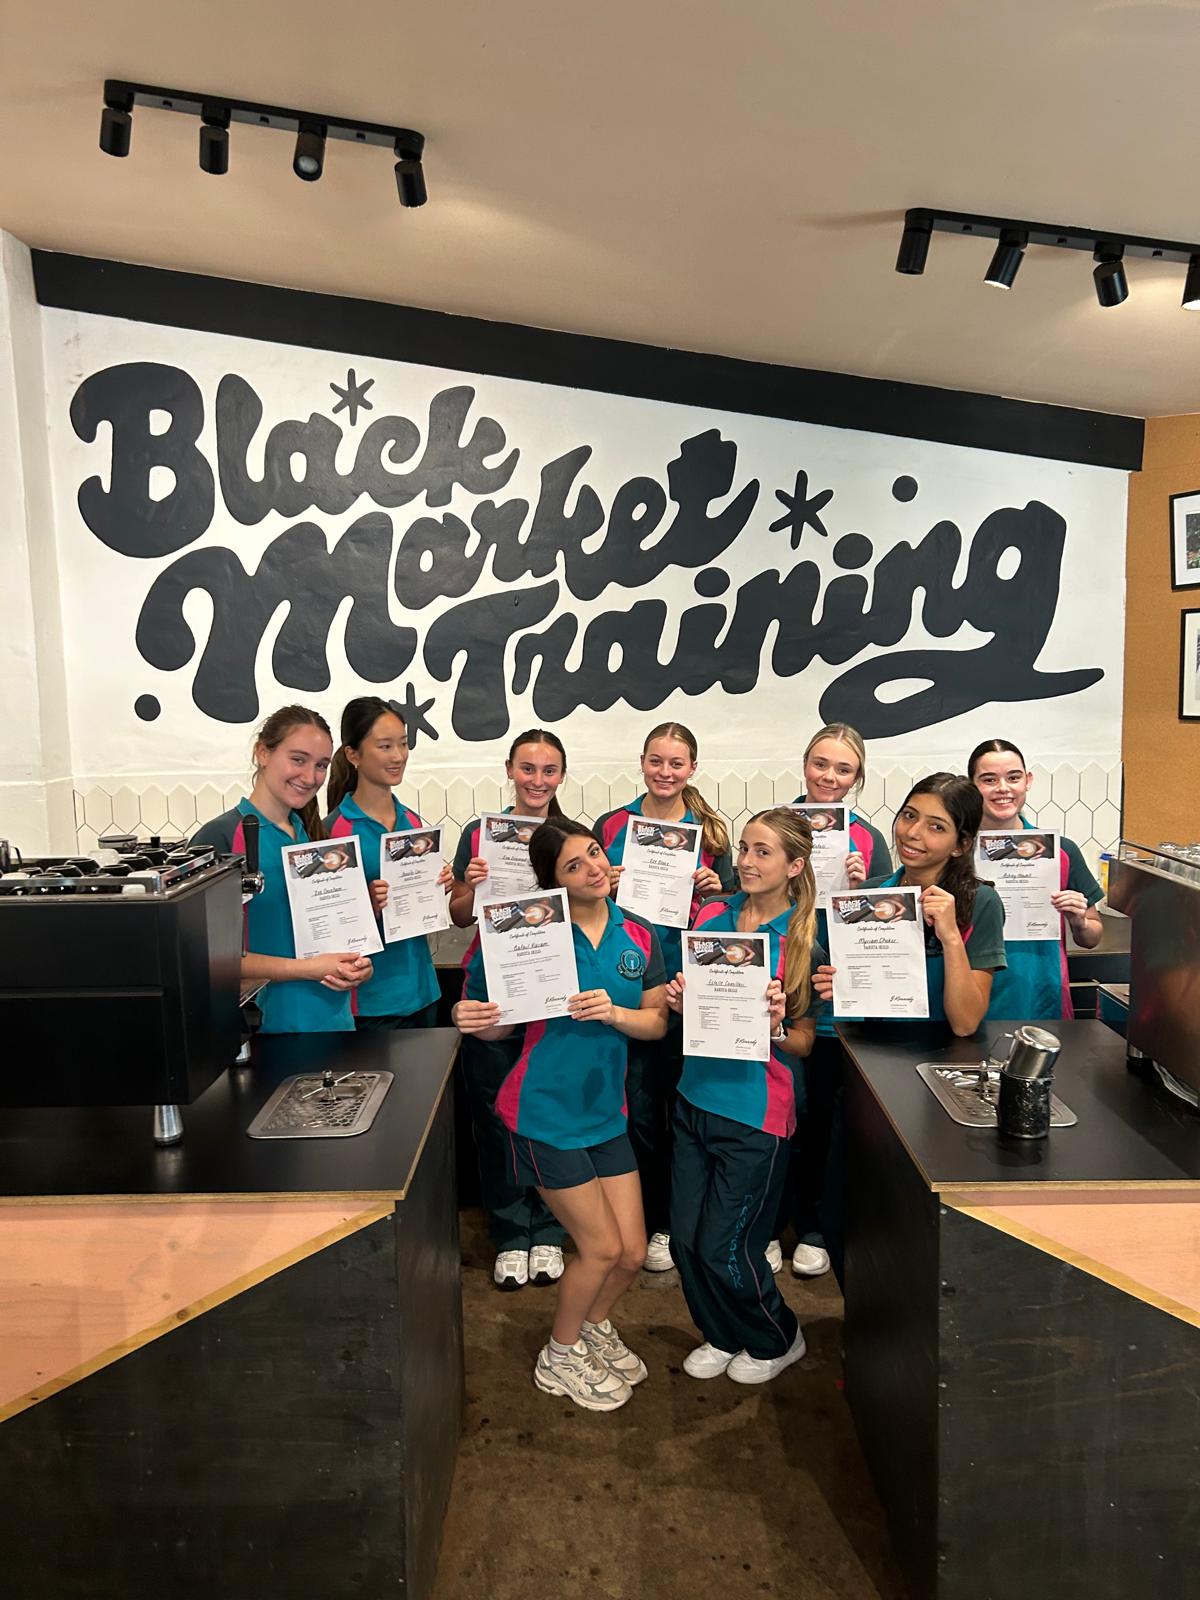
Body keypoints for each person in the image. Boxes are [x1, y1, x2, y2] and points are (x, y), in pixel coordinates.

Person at [453, 819, 668, 1412]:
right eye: (575, 866)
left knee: (630, 1251)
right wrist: (470, 1019)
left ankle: (593, 1327)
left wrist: (614, 1014)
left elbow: (655, 1022)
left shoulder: (639, 935)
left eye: (595, 854)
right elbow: (497, 1022)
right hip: (542, 1111)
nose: (595, 867)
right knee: (598, 1249)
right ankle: (560, 1352)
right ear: (553, 883)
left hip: (605, 1112)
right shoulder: (530, 935)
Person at [666, 808, 822, 1385]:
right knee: (685, 1239)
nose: (747, 862)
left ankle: (778, 1335)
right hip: (694, 1097)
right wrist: (681, 1001)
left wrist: (780, 1025)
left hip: (756, 1112)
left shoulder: (804, 939)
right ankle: (723, 1332)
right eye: (745, 850)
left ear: (794, 865)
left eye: (763, 852)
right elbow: (689, 1005)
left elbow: (805, 1041)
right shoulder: (712, 916)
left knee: (726, 1246)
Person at [594, 722, 736, 1272]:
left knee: (685, 1105)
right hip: (630, 984)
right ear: (642, 762)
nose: (666, 772)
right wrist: (608, 882)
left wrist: (713, 888)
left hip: (693, 984)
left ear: (692, 769)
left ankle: (676, 1222)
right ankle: (642, 1218)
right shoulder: (613, 826)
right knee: (636, 1109)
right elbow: (587, 896)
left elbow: (731, 910)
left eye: (677, 763)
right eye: (657, 761)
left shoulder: (712, 834)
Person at [449, 729, 572, 1291]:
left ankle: (548, 1228)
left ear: (562, 777)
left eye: (549, 771)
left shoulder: (573, 837)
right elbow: (456, 916)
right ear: (509, 769)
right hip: (490, 984)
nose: (537, 780)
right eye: (528, 768)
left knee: (549, 1113)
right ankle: (508, 1232)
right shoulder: (481, 833)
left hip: (551, 987)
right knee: (495, 1116)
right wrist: (470, 887)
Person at [776, 722, 892, 1281]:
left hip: (837, 992)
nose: (829, 776)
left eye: (843, 769)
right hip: (781, 979)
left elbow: (888, 923)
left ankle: (816, 1228)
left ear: (857, 777)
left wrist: (863, 886)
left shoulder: (868, 838)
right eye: (821, 763)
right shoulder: (776, 824)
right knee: (782, 1111)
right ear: (805, 764)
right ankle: (773, 1223)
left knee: (825, 1113)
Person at [193, 704, 372, 1032]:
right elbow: (210, 959)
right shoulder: (220, 837)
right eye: (298, 759)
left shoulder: (309, 833)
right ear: (263, 752)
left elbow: (327, 935)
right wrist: (308, 968)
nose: (310, 777)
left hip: (334, 1022)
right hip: (269, 1031)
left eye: (321, 765)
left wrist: (358, 965)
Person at [815, 772, 1007, 1036]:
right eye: (909, 815)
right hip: (873, 1054)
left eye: (936, 827)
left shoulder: (981, 901)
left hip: (944, 1059)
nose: (913, 833)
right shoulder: (871, 893)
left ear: (960, 845)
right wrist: (841, 984)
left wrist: (950, 937)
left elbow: (965, 1023)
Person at [324, 696, 452, 1030]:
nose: (398, 756)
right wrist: (365, 907)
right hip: (369, 1000)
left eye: (403, 744)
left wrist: (439, 887)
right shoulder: (331, 832)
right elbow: (320, 928)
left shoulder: (414, 822)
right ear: (353, 755)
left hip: (423, 991)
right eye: (384, 746)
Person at [968, 739, 1103, 1020]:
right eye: (989, 779)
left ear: (1027, 781)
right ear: (972, 786)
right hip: (972, 995)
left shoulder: (1062, 851)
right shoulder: (956, 851)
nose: (1003, 788)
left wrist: (1079, 922)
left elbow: (1093, 937)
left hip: (1041, 995)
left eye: (1013, 777)